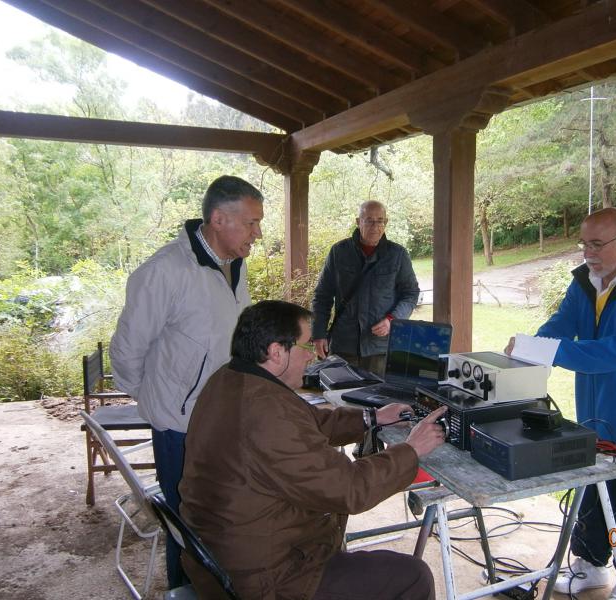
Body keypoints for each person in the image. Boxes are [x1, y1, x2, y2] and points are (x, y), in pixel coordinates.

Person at [179, 300, 447, 599]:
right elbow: (350, 489)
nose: (311, 356)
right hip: (265, 578)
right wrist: (411, 449)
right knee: (413, 576)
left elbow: (307, 422)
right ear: (276, 352)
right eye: (305, 346)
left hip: (226, 553)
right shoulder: (267, 412)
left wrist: (372, 417)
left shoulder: (230, 379)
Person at [504, 208, 616, 600]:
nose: (587, 253)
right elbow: (561, 326)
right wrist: (533, 350)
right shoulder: (584, 282)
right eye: (583, 244)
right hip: (596, 412)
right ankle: (590, 566)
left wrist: (552, 352)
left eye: (597, 244)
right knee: (594, 493)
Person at [109, 175, 263, 588]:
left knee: (221, 519)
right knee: (186, 528)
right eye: (251, 223)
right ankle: (182, 592)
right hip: (181, 428)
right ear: (218, 219)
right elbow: (126, 351)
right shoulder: (165, 271)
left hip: (225, 419)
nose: (258, 233)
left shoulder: (234, 264)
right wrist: (159, 402)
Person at [312, 200, 419, 375]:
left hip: (381, 348)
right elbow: (322, 296)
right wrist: (318, 334)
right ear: (358, 221)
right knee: (341, 391)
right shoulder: (339, 252)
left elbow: (411, 294)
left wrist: (392, 319)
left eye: (380, 220)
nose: (375, 226)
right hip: (344, 345)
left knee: (380, 393)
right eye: (369, 220)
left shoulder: (397, 255)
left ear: (386, 222)